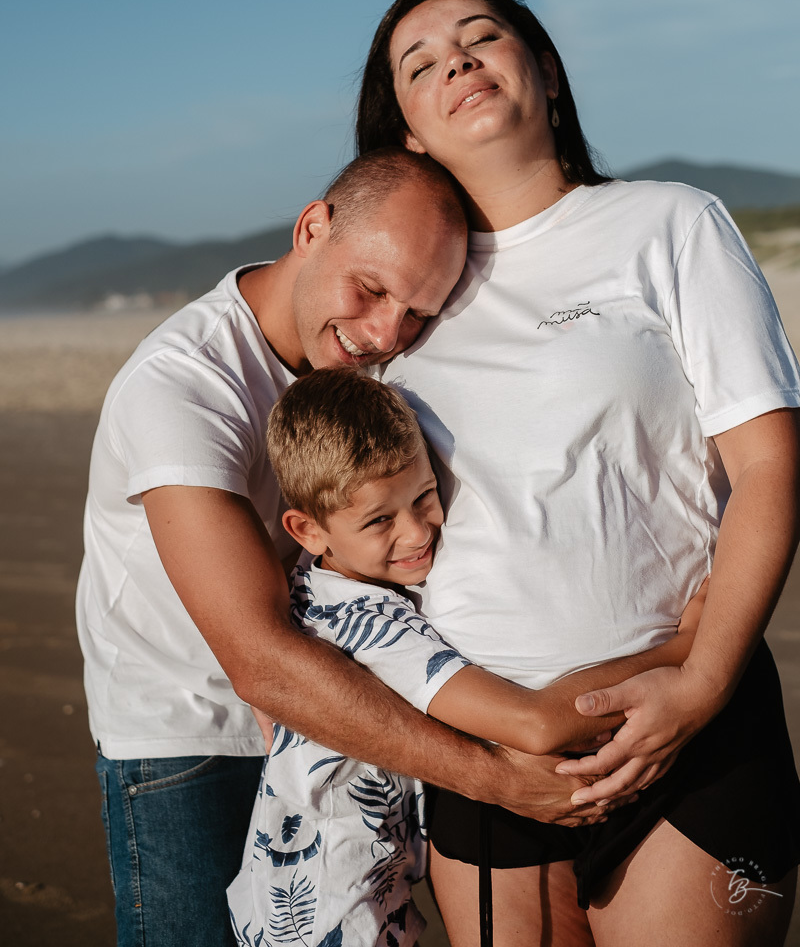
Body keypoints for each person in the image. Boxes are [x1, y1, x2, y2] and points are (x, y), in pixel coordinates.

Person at [356, 0, 800, 946]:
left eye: (481, 37)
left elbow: (770, 467)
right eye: (420, 64)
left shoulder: (668, 224)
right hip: (486, 759)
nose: (457, 61)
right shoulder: (396, 311)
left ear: (545, 72)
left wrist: (700, 685)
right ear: (410, 134)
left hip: (687, 724)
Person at [78, 147, 613, 947]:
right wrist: (499, 780)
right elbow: (259, 659)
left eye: (418, 314)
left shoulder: (374, 369)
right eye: (370, 289)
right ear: (312, 228)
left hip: (336, 721)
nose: (383, 333)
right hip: (187, 739)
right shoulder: (183, 385)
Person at [228, 367, 707, 947]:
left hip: (317, 888)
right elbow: (538, 724)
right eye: (379, 520)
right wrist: (686, 648)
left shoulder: (317, 584)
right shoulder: (372, 629)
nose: (416, 532)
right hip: (327, 908)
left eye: (425, 497)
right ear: (307, 529)